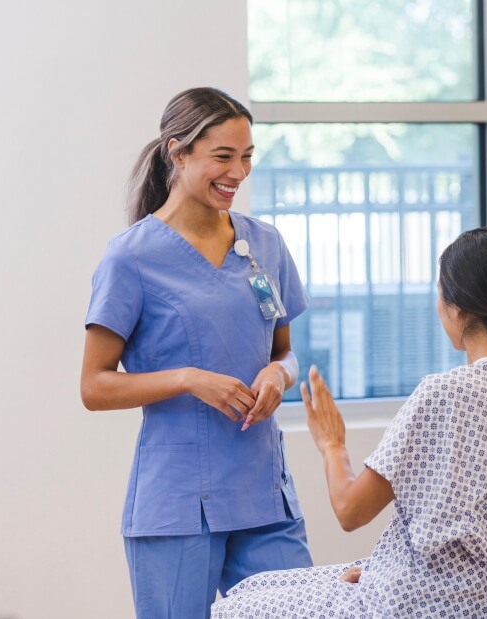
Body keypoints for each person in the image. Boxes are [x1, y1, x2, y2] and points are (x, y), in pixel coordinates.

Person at [211, 226, 487, 618]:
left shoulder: (446, 394)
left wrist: (332, 444)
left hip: (423, 604)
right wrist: (387, 568)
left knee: (239, 606)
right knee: (269, 585)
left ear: (457, 307)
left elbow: (349, 511)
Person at [80, 87, 312, 619]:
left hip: (264, 494)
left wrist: (280, 376)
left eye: (248, 156)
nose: (239, 171)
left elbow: (286, 353)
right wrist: (187, 378)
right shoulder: (131, 258)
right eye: (223, 157)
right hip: (177, 504)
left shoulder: (265, 245)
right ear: (177, 153)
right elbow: (94, 385)